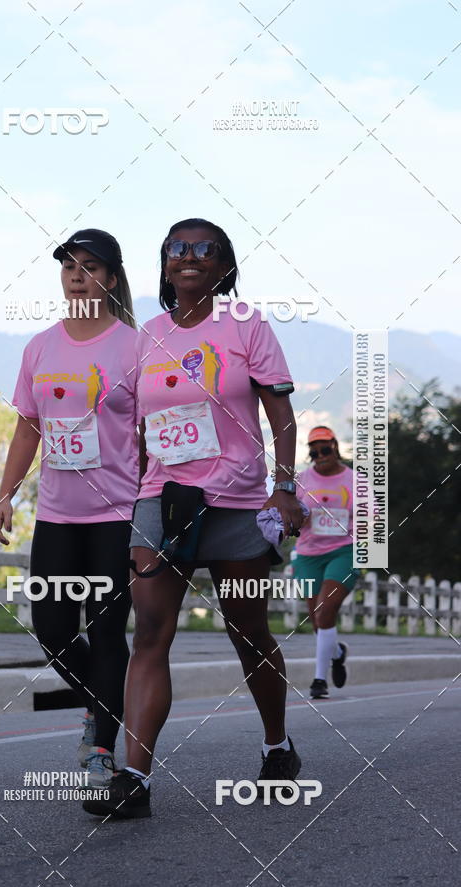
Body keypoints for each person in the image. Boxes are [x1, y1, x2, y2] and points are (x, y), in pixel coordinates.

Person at [83, 217, 305, 819]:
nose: (189, 256)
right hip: (161, 500)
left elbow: (280, 415)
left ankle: (277, 744)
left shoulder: (245, 325)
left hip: (235, 503)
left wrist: (284, 487)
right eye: (177, 247)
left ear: (223, 264)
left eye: (204, 248)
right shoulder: (143, 337)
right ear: (162, 264)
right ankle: (134, 778)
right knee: (151, 633)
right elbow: (127, 428)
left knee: (248, 632)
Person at [0, 228, 139, 785]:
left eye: (90, 266)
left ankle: (102, 745)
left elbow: (150, 435)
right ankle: (101, 703)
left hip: (116, 514)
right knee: (52, 629)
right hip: (56, 513)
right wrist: (4, 495)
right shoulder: (41, 346)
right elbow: (28, 428)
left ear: (112, 278)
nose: (77, 275)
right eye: (69, 266)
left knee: (106, 631)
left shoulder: (134, 346)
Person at [292, 426, 359, 699]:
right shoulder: (301, 480)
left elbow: (372, 518)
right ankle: (337, 652)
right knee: (318, 621)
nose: (321, 455)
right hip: (308, 555)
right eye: (315, 451)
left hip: (343, 551)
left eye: (325, 449)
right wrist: (298, 520)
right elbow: (289, 518)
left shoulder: (355, 481)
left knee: (325, 610)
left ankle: (319, 679)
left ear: (335, 447)